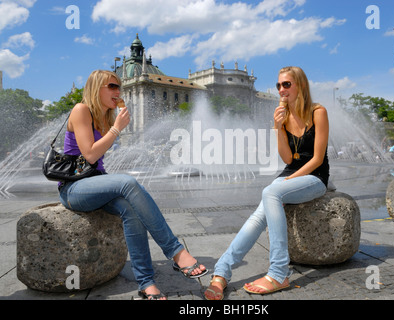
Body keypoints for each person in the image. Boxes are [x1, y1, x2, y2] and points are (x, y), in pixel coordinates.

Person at [58, 70, 208, 300]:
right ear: (96, 88)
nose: (118, 92)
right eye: (112, 87)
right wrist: (117, 128)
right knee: (128, 182)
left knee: (132, 211)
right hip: (74, 189)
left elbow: (98, 161)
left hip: (96, 184)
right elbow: (89, 155)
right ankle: (176, 251)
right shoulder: (81, 110)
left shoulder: (104, 116)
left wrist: (114, 123)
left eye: (119, 87)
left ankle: (146, 282)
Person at [204, 66, 329, 300]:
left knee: (271, 192)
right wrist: (277, 127)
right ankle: (221, 272)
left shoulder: (317, 112)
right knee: (258, 216)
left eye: (287, 84)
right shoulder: (283, 114)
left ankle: (279, 272)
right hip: (289, 175)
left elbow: (317, 159)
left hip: (315, 177)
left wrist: (286, 183)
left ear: (300, 85)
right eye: (279, 85)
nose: (281, 89)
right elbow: (287, 158)